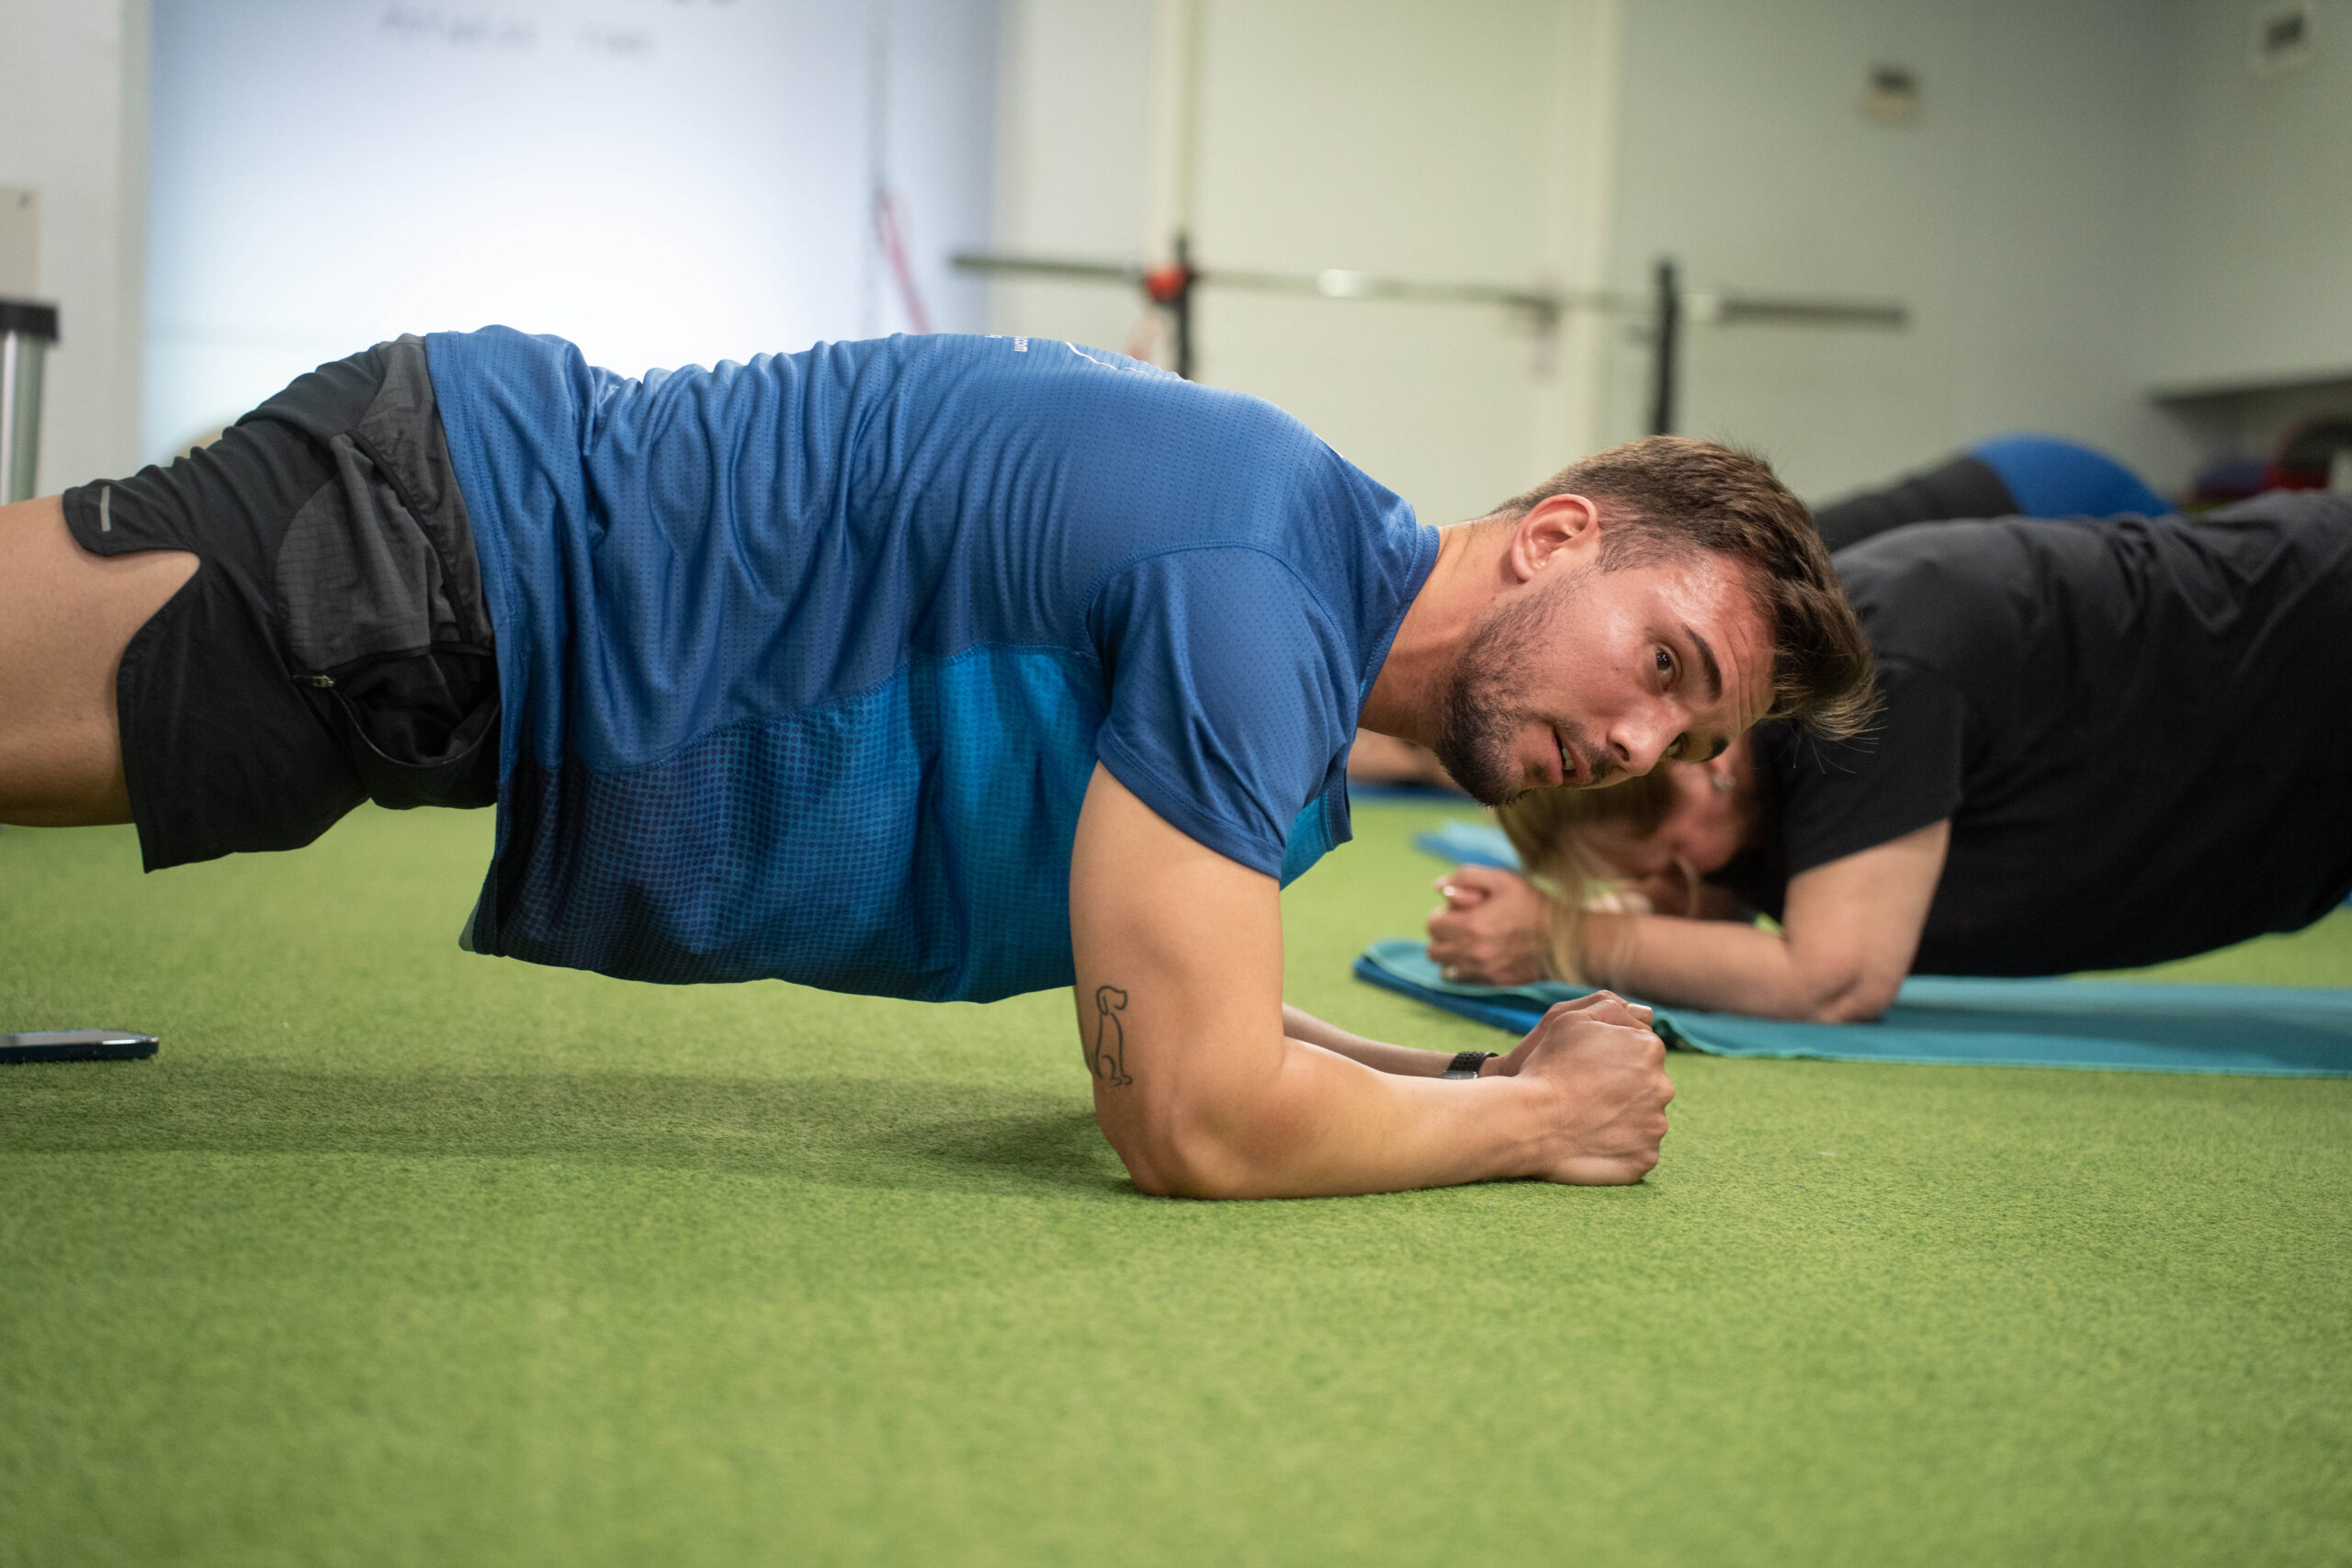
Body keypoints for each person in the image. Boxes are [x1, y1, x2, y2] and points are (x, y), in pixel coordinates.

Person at [0, 330, 1872, 1197]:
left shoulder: (1300, 624)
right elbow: (1190, 1115)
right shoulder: (1255, 590)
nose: (1636, 744)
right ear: (1551, 539)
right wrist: (1535, 1123)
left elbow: (1193, 1004)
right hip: (442, 550)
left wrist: (1470, 1064)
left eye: (1689, 735)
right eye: (1664, 662)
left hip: (467, 615)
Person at [1426, 484, 2352, 1021]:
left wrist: (1562, 935)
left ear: (1698, 760)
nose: (1679, 895)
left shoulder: (1869, 682)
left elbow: (1833, 979)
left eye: (1670, 863)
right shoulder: (1758, 779)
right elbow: (1720, 937)